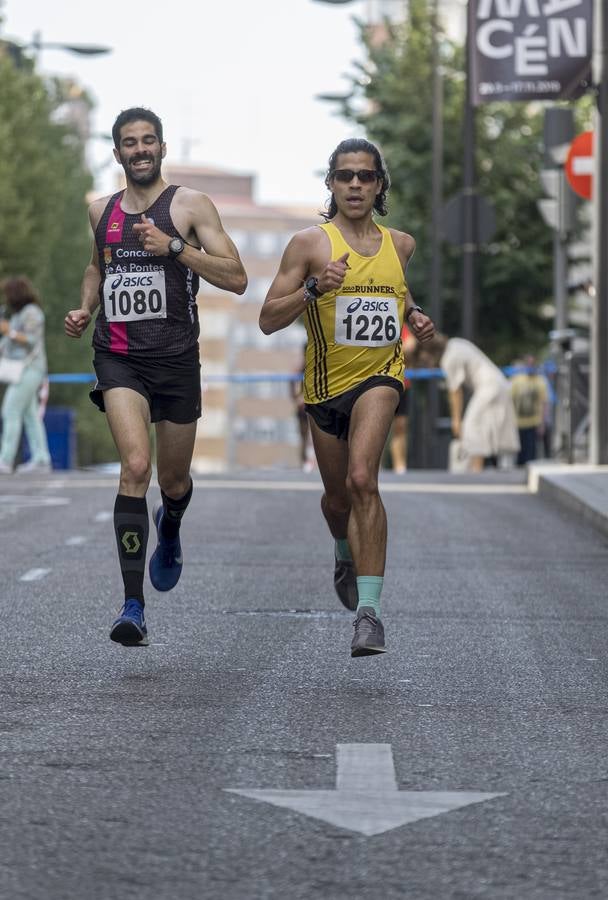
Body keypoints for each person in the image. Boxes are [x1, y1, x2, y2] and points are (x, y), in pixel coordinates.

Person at [65, 107, 247, 647]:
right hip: (118, 356)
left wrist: (173, 248)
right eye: (129, 143)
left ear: (162, 148)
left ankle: (171, 522)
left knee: (173, 480)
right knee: (135, 467)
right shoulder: (99, 211)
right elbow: (99, 265)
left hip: (175, 359)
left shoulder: (191, 206)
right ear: (116, 152)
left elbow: (235, 276)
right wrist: (84, 307)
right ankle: (132, 604)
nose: (139, 150)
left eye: (148, 141)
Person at [259, 138, 435, 657]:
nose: (355, 185)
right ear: (331, 185)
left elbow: (393, 292)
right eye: (344, 176)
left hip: (380, 377)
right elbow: (268, 319)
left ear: (380, 185)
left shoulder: (401, 243)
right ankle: (343, 549)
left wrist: (415, 316)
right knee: (337, 500)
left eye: (365, 176)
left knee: (363, 479)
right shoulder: (310, 245)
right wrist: (315, 288)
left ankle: (370, 614)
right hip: (324, 389)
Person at [408, 333, 519, 473]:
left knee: (472, 427)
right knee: (487, 428)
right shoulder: (455, 343)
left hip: (489, 387)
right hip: (498, 384)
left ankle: (475, 471)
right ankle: (483, 468)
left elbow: (455, 391)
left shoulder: (449, 358)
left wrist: (456, 420)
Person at [0, 277, 52, 474]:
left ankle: (5, 459)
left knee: (10, 410)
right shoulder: (18, 314)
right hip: (23, 369)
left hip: (31, 369)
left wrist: (10, 332)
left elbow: (30, 339)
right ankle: (41, 459)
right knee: (31, 416)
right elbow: (7, 344)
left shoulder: (32, 313)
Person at [510, 355, 549, 465]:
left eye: (532, 363)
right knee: (520, 453)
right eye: (528, 363)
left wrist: (542, 423)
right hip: (518, 422)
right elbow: (510, 401)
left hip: (534, 422)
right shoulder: (517, 380)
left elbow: (544, 403)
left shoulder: (540, 381)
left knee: (531, 453)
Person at [388, 323, 412, 474]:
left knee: (401, 426)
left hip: (401, 384)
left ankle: (400, 465)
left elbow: (411, 345)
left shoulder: (399, 323)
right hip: (378, 383)